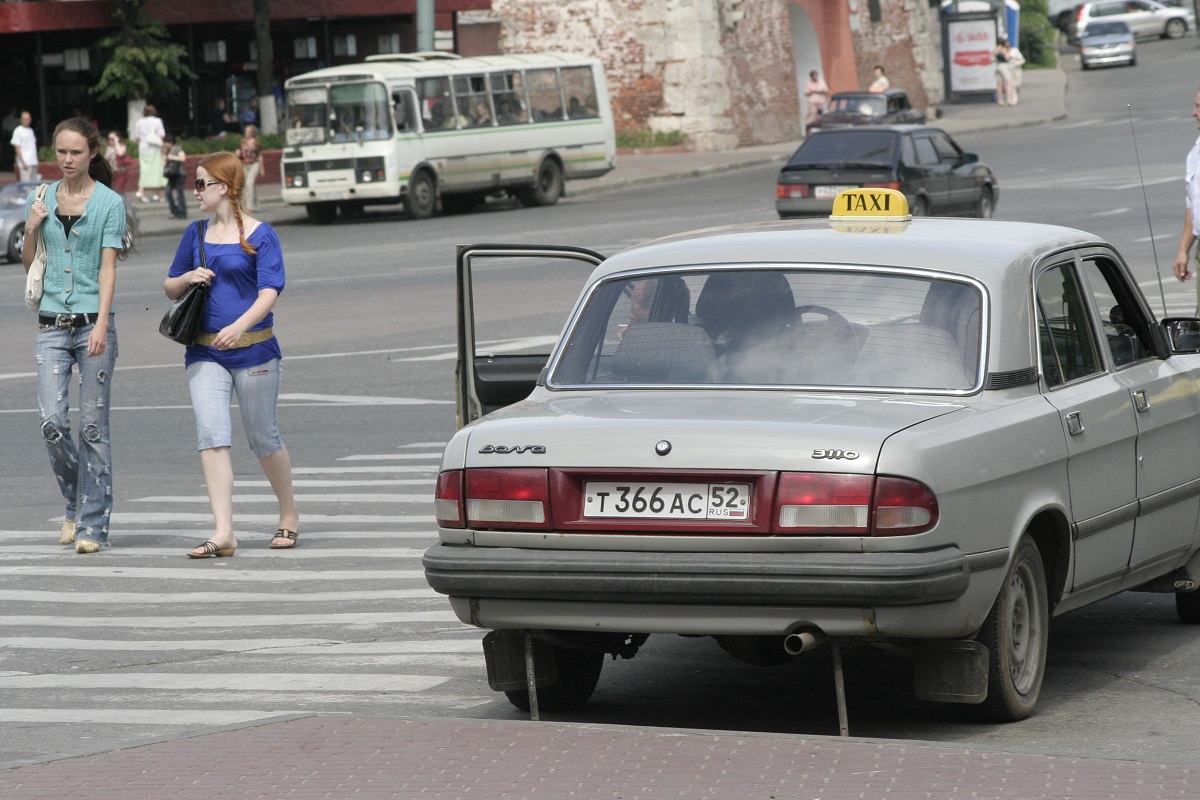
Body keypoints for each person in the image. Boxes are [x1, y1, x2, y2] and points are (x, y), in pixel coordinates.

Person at [164, 152, 299, 558]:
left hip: (255, 349)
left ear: (224, 187)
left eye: (202, 183)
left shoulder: (261, 234)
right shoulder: (194, 234)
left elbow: (270, 291)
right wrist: (188, 277)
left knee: (262, 436)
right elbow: (170, 287)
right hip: (204, 351)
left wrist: (240, 325)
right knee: (212, 436)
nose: (196, 191)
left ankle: (289, 515)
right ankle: (224, 531)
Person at [22, 118, 126, 554]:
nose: (67, 160)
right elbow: (31, 261)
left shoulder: (109, 203)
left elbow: (107, 267)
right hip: (50, 325)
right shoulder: (40, 196)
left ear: (92, 155)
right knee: (52, 422)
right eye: (61, 152)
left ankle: (91, 526)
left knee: (92, 428)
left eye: (76, 153)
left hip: (91, 325)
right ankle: (75, 500)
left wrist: (102, 321)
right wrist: (31, 225)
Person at [1174, 88, 1200, 314]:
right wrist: (1183, 250)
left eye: (1199, 107)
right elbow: (1193, 205)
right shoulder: (1195, 153)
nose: (1193, 113)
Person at [132, 105, 166, 203]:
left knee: (145, 170)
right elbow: (162, 135)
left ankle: (157, 194)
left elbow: (137, 137)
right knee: (156, 171)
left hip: (143, 149)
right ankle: (141, 191)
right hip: (155, 149)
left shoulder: (139, 122)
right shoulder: (157, 121)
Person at [237, 124, 263, 212]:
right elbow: (241, 154)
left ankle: (250, 206)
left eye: (248, 131)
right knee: (246, 185)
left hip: (254, 164)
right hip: (244, 164)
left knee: (250, 183)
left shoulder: (256, 142)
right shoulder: (243, 141)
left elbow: (259, 156)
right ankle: (254, 206)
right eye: (246, 131)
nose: (246, 133)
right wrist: (237, 153)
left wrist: (262, 169)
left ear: (252, 133)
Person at [163, 133, 188, 219]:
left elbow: (183, 158)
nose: (164, 144)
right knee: (168, 192)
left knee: (179, 193)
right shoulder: (167, 151)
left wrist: (171, 157)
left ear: (170, 142)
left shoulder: (178, 149)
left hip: (179, 174)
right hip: (171, 175)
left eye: (165, 142)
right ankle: (174, 211)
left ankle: (182, 212)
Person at [11, 111, 38, 182]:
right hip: (25, 163)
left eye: (28, 119)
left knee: (34, 186)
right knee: (26, 186)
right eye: (24, 119)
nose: (26, 121)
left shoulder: (31, 130)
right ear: (21, 120)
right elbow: (17, 147)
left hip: (33, 162)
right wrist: (22, 162)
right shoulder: (18, 131)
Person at [103, 131, 131, 195]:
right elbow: (105, 159)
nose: (110, 141)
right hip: (112, 172)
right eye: (109, 139)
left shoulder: (122, 146)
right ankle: (126, 203)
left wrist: (116, 143)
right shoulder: (109, 148)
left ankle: (125, 203)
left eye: (112, 139)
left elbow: (120, 153)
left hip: (121, 172)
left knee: (118, 191)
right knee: (114, 191)